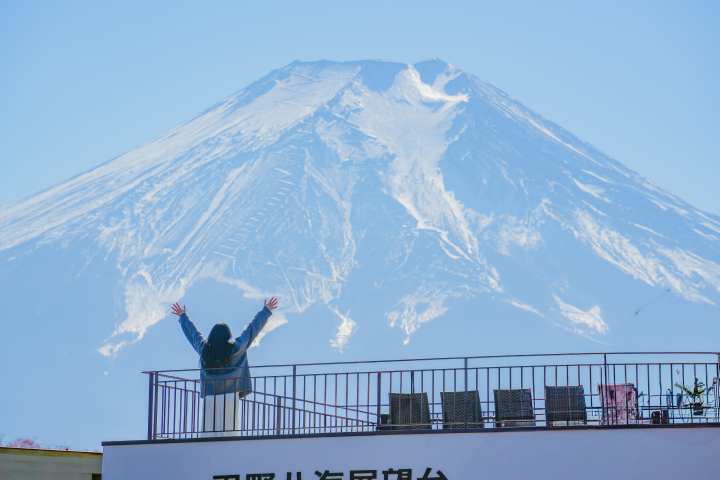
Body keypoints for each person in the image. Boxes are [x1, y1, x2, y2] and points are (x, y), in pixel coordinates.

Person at [171, 297, 279, 436]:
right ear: (228, 336)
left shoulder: (205, 351)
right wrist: (266, 311)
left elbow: (193, 335)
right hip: (231, 396)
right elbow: (252, 330)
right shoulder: (236, 349)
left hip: (210, 397)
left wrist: (183, 317)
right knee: (231, 433)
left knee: (209, 433)